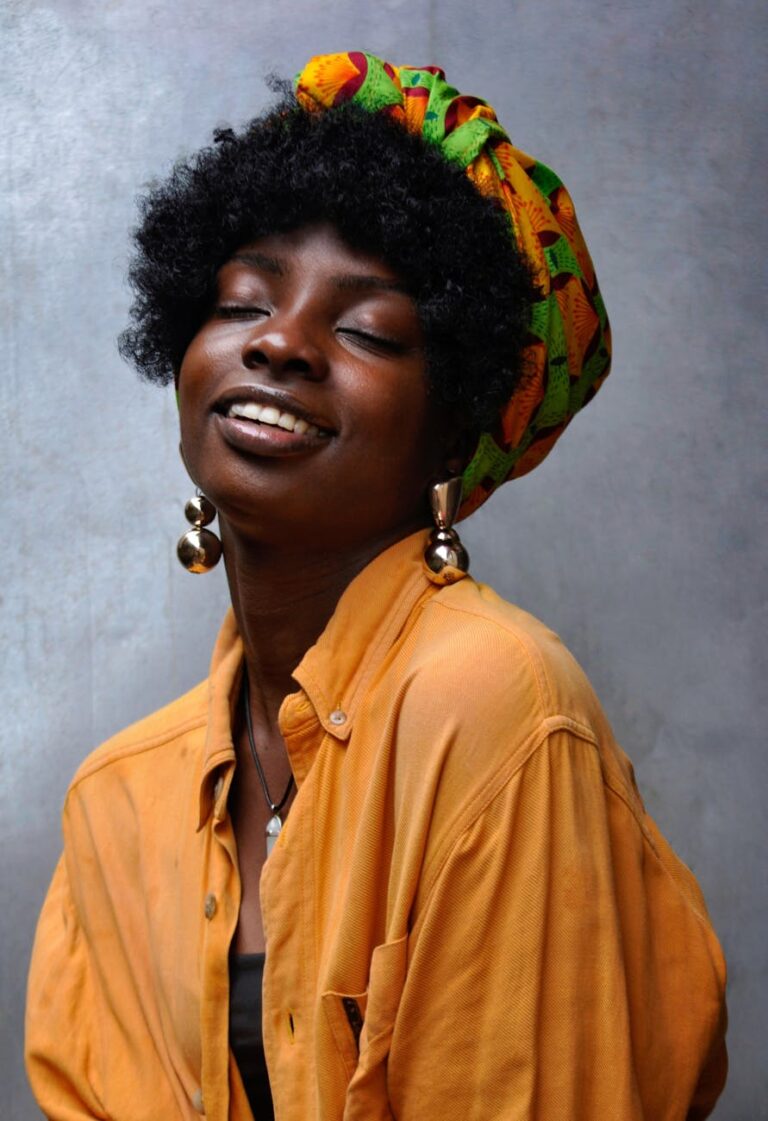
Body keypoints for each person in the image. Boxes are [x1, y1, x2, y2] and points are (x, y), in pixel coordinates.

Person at [25, 50, 727, 1121]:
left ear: (456, 427)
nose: (281, 341)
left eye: (365, 330)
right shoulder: (116, 800)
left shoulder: (494, 709)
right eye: (243, 299)